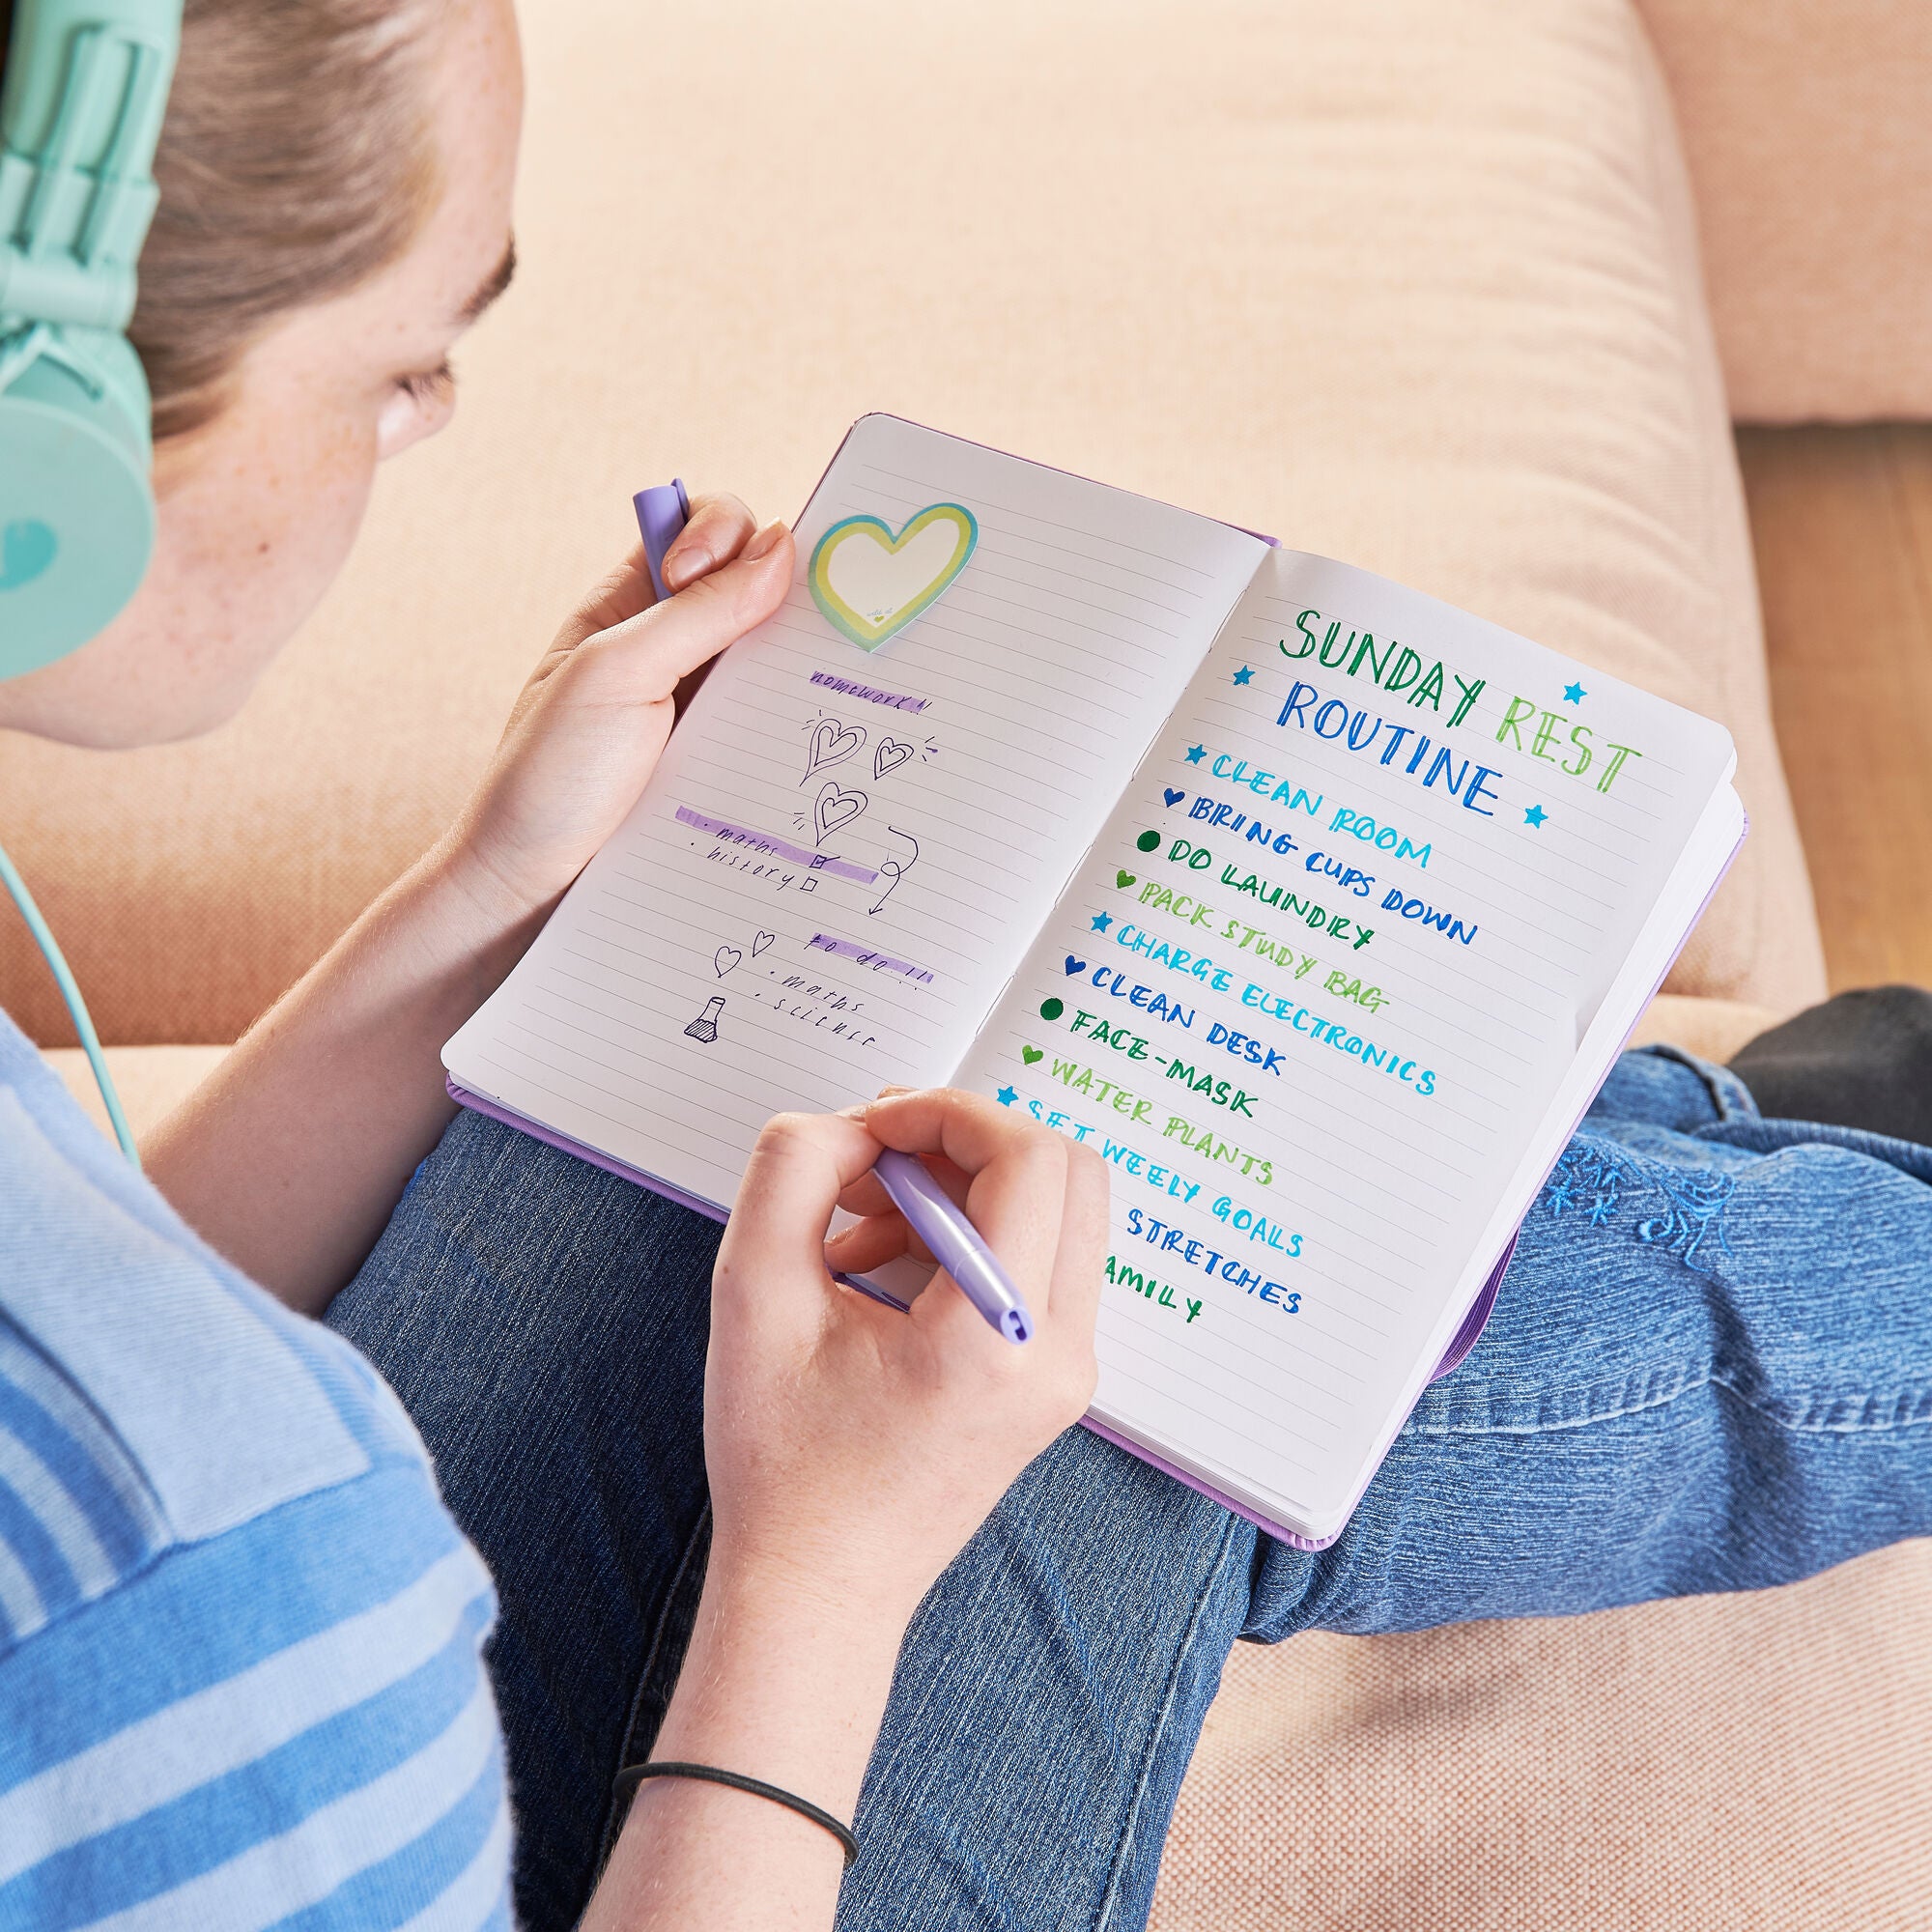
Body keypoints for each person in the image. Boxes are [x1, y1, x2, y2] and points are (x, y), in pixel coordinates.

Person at [1, 1, 1925, 1927]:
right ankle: (1768, 1187)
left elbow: (93, 1302)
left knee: (706, 1114)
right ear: (49, 450)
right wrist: (823, 1567)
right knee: (1084, 1298)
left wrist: (499, 882)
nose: (427, 417)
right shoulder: (169, 1603)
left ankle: (1701, 1158)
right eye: (405, 365)